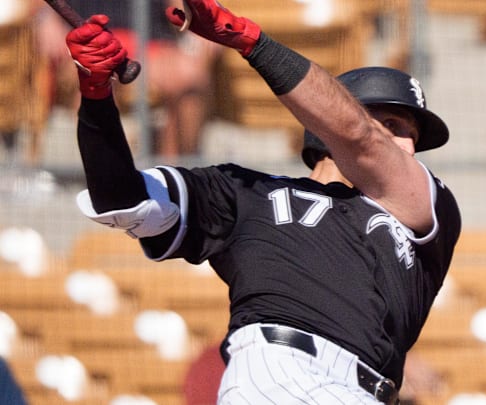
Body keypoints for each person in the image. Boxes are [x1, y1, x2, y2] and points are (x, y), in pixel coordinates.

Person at [65, 1, 461, 403]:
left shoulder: (427, 210)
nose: (409, 145)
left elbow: (360, 137)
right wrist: (96, 96)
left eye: (411, 133)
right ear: (324, 122)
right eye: (392, 125)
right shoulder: (245, 193)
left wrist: (252, 41)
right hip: (278, 374)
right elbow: (121, 199)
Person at [39, 0, 219, 159]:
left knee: (191, 77)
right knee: (96, 77)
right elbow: (42, 9)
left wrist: (200, 23)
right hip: (88, 43)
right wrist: (46, 18)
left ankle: (175, 177)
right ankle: (104, 180)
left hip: (151, 46)